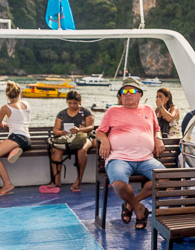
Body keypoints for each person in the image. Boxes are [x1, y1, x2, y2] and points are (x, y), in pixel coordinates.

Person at [95, 77, 165, 230]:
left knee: (165, 181)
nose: (127, 94)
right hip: (119, 158)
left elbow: (156, 129)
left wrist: (158, 139)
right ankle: (139, 208)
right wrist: (104, 140)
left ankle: (131, 205)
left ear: (140, 94)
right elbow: (100, 131)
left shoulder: (148, 110)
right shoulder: (112, 111)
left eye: (131, 90)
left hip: (146, 158)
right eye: (123, 91)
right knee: (119, 184)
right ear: (120, 95)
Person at [41, 90, 95, 193]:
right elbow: (55, 129)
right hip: (67, 139)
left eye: (75, 103)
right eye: (70, 103)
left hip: (84, 137)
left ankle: (78, 180)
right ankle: (57, 181)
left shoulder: (86, 112)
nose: (72, 105)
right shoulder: (62, 114)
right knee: (55, 151)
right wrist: (59, 132)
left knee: (82, 150)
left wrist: (79, 130)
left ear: (80, 102)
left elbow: (90, 127)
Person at [0, 81, 31, 196]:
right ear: (19, 93)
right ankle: (13, 150)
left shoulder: (5, 108)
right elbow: (19, 121)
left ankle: (7, 184)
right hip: (26, 139)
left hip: (16, 138)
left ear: (7, 95)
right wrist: (7, 125)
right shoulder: (26, 104)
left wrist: (0, 124)